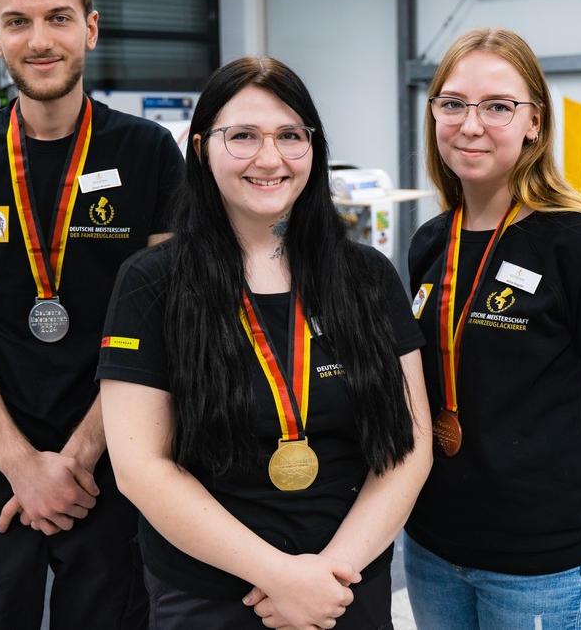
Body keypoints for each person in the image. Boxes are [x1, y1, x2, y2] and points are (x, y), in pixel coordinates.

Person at [97, 56, 433, 630]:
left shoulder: (368, 277)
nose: (269, 157)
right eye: (243, 136)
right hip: (210, 593)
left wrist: (327, 576)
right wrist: (280, 577)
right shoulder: (152, 282)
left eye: (289, 136)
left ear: (314, 148)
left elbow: (410, 446)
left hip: (345, 589)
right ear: (202, 148)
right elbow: (140, 468)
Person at [0, 0, 183, 627]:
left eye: (58, 17)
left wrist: (78, 455)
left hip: (118, 455)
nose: (40, 39)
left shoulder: (148, 152)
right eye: (18, 21)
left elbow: (166, 321)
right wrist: (20, 463)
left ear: (90, 28)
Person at [404, 27, 581, 630]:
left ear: (535, 123)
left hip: (542, 571)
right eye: (453, 103)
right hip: (432, 551)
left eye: (498, 105)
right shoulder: (430, 242)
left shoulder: (578, 246)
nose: (471, 124)